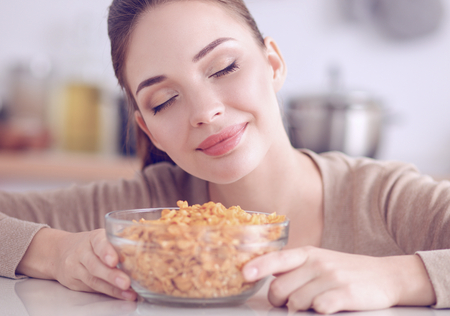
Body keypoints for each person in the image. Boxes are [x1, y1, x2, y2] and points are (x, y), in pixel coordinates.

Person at [0, 0, 449, 314]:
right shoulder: (141, 222)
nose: (205, 112)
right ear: (146, 128)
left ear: (272, 64)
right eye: (164, 100)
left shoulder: (386, 200)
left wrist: (398, 278)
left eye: (223, 67)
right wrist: (54, 251)